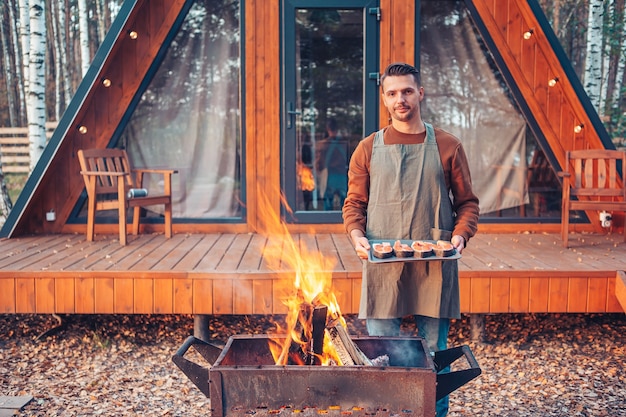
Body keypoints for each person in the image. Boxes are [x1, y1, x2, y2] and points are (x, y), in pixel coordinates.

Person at [342, 63, 480, 417]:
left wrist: (461, 236)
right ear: (384, 99)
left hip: (435, 263)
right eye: (392, 93)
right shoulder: (367, 148)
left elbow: (467, 204)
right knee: (380, 354)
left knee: (434, 354)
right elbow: (354, 204)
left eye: (406, 91)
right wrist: (357, 236)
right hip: (382, 265)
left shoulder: (448, 145)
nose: (400, 99)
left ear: (421, 93)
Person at [316, 118, 349, 210]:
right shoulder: (345, 143)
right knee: (346, 206)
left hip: (329, 177)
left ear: (327, 129)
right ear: (337, 128)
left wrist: (318, 170)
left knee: (328, 204)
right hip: (343, 177)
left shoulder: (323, 145)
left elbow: (319, 163)